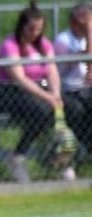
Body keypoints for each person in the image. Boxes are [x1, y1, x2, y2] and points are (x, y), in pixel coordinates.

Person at [0, 3, 63, 184]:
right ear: (22, 26)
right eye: (31, 28)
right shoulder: (10, 45)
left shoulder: (44, 44)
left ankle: (62, 157)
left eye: (39, 29)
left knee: (71, 107)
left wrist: (55, 94)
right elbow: (19, 78)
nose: (35, 33)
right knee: (41, 111)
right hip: (11, 92)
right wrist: (47, 97)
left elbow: (52, 71)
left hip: (39, 90)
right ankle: (18, 156)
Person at [55, 1, 92, 168]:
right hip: (69, 89)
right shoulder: (63, 40)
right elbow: (61, 71)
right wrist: (89, 32)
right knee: (77, 110)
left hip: (87, 90)